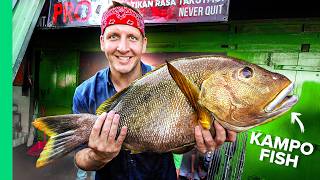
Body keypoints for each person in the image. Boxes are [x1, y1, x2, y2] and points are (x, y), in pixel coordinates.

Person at [73, 1, 237, 179]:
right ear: (102, 42)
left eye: (132, 38)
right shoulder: (84, 93)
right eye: (113, 36)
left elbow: (177, 136)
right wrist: (98, 156)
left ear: (143, 44)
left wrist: (194, 143)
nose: (123, 47)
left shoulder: (169, 80)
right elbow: (79, 159)